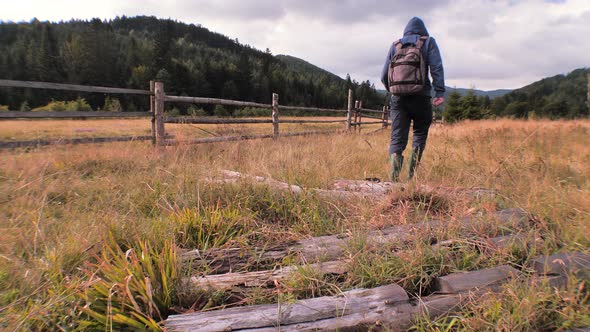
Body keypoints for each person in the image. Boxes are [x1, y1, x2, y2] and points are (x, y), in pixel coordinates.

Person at [380, 17, 445, 181]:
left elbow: (383, 75)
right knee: (419, 134)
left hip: (398, 99)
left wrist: (394, 91)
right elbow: (436, 67)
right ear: (423, 30)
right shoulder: (428, 42)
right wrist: (439, 92)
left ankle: (393, 181)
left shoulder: (395, 45)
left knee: (397, 139)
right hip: (421, 96)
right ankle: (410, 179)